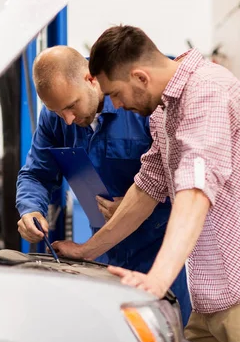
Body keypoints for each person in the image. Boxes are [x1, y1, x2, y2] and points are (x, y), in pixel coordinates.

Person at [59, 24, 240, 342]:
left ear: (140, 77)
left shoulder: (207, 91)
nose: (115, 106)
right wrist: (86, 251)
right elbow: (147, 189)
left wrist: (157, 280)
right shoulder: (165, 111)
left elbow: (194, 192)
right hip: (213, 298)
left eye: (116, 94)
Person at [15, 45, 192, 323]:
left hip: (161, 252)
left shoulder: (141, 104)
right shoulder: (56, 116)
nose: (68, 120)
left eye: (72, 106)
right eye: (58, 111)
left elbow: (188, 181)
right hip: (103, 254)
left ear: (90, 78)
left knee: (167, 331)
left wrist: (140, 201)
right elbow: (36, 174)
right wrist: (30, 210)